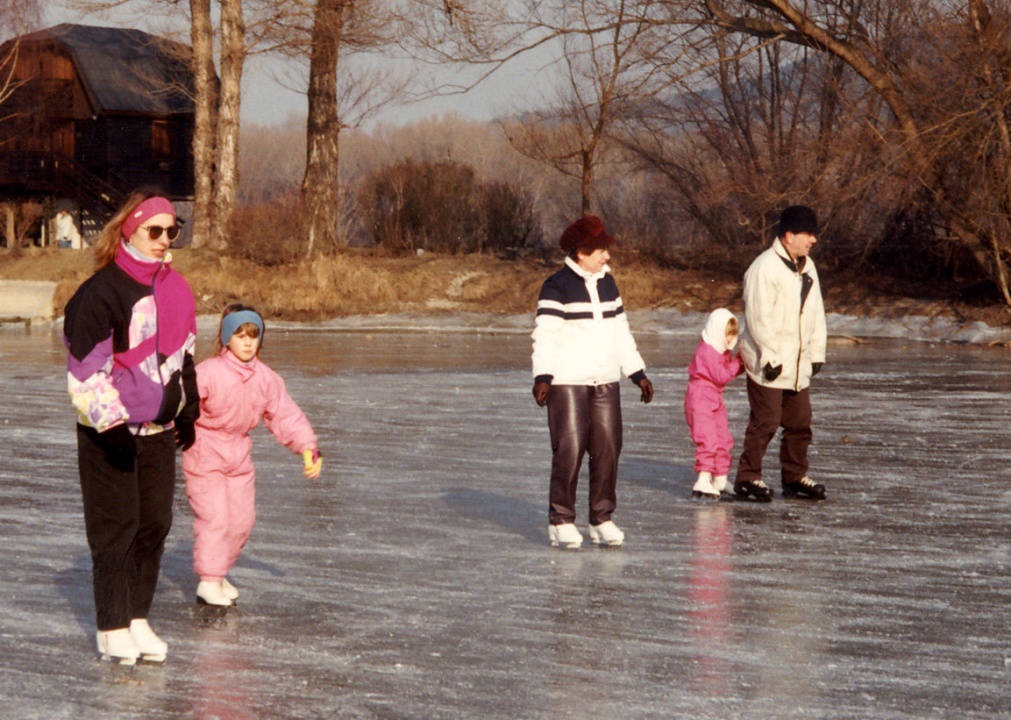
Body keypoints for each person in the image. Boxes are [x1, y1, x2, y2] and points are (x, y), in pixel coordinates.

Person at [64, 192, 198, 665]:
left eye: (171, 230)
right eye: (154, 230)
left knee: (155, 525)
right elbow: (85, 370)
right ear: (130, 230)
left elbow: (183, 353)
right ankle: (112, 626)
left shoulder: (176, 288)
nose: (164, 239)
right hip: (110, 434)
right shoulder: (101, 292)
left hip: (158, 429)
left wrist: (187, 405)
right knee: (115, 530)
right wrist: (110, 425)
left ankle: (137, 617)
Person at [182, 304, 323, 607]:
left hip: (239, 455)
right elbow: (182, 403)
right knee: (216, 518)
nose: (248, 343)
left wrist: (307, 446)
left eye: (253, 336)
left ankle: (218, 572)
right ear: (226, 338)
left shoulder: (266, 378)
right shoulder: (208, 372)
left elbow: (285, 415)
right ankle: (209, 580)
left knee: (242, 522)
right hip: (205, 452)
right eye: (240, 335)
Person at [531, 215, 654, 549]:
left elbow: (621, 333)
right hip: (567, 382)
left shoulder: (608, 284)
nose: (607, 256)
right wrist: (543, 376)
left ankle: (601, 518)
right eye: (601, 250)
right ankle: (561, 521)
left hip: (605, 381)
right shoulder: (557, 286)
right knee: (569, 450)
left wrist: (637, 372)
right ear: (582, 252)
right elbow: (546, 336)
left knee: (608, 448)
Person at [734, 205, 827, 502]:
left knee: (800, 423)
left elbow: (816, 312)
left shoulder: (807, 267)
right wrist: (771, 357)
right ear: (789, 235)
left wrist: (817, 352)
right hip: (768, 361)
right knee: (766, 422)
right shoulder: (764, 268)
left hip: (797, 362)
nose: (813, 240)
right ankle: (748, 477)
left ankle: (795, 476)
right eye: (808, 234)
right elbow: (759, 318)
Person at [684, 308, 744, 500]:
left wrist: (738, 363)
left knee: (723, 437)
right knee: (708, 439)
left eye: (733, 334)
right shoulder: (707, 351)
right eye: (728, 334)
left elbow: (723, 373)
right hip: (700, 397)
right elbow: (721, 375)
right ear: (717, 331)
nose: (730, 339)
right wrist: (739, 361)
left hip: (714, 397)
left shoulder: (720, 350)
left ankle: (720, 478)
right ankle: (703, 478)